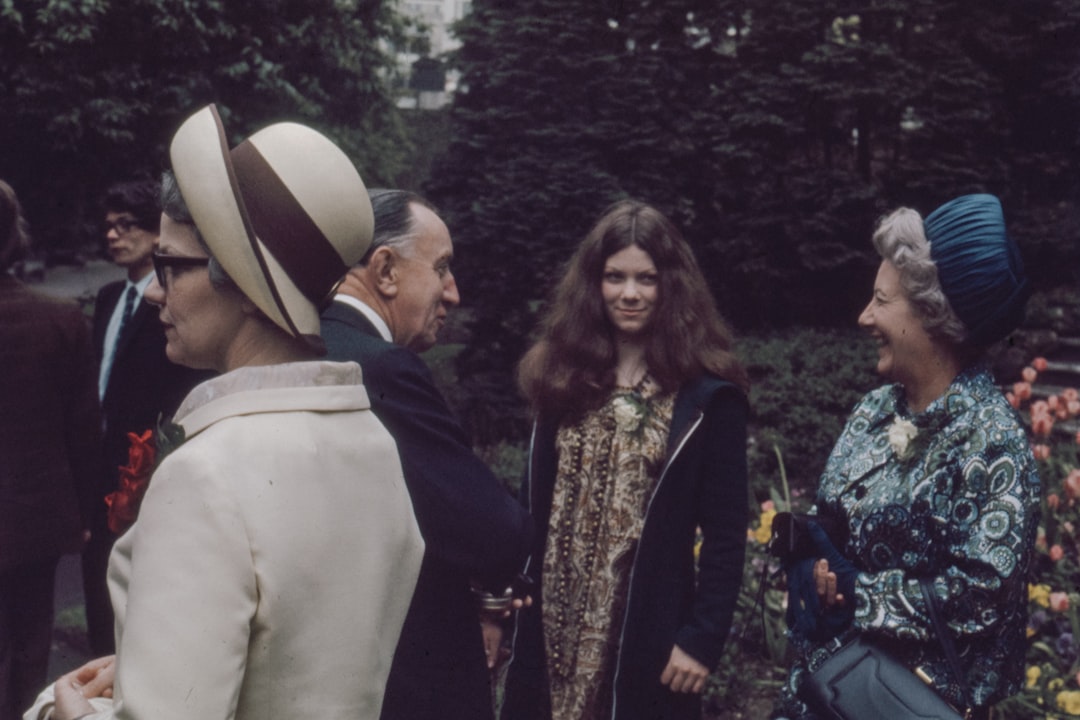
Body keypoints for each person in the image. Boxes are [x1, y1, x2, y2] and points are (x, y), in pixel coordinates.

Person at [24, 104, 425, 720]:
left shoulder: (207, 473)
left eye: (170, 264)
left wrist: (62, 709)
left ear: (237, 280)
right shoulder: (371, 439)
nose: (155, 288)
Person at [774, 194, 1040, 720]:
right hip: (824, 692)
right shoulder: (875, 408)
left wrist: (859, 594)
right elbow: (837, 521)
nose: (863, 315)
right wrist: (810, 556)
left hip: (902, 706)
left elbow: (981, 595)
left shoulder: (992, 440)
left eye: (881, 300)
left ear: (932, 315)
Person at [501, 200, 750, 720]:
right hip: (551, 626)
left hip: (643, 636)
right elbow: (532, 504)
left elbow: (727, 533)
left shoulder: (706, 399)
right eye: (615, 277)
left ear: (671, 286)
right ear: (594, 284)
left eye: (646, 279)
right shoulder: (562, 379)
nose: (630, 294)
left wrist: (702, 639)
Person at [320, 189, 533, 720]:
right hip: (405, 677)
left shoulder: (304, 342)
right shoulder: (381, 366)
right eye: (442, 268)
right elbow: (494, 532)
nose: (453, 293)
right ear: (385, 270)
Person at [84, 179, 210, 655]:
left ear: (157, 234)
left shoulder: (170, 302)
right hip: (101, 461)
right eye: (108, 228)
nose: (113, 236)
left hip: (145, 461)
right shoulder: (110, 298)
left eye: (126, 226)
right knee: (96, 580)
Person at [0, 180, 100, 720]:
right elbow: (84, 428)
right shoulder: (61, 319)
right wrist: (83, 514)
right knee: (30, 639)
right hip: (37, 516)